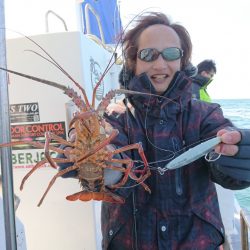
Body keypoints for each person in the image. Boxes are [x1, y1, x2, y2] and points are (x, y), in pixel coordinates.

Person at [60, 12, 250, 249]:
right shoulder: (115, 117)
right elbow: (115, 152)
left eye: (171, 54)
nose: (160, 64)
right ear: (134, 62)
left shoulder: (206, 115)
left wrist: (239, 156)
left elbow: (223, 144)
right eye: (148, 54)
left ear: (183, 61)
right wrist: (105, 164)